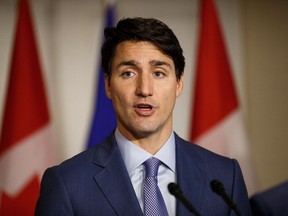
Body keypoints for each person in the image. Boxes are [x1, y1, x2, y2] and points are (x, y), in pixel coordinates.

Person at [35, 17, 251, 216]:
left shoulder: (224, 178)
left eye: (158, 73)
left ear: (179, 84)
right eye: (128, 73)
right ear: (108, 85)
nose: (144, 89)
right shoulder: (67, 183)